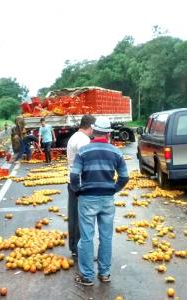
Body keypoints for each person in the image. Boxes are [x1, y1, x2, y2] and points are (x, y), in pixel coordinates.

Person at [70, 116, 129, 286]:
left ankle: (87, 276)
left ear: (93, 132)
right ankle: (104, 274)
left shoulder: (83, 151)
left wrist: (77, 190)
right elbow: (125, 177)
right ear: (109, 134)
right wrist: (114, 189)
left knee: (87, 238)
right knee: (106, 237)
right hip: (107, 199)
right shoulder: (116, 152)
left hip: (87, 198)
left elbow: (74, 175)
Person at [66, 115, 96, 259]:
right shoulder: (83, 141)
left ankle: (74, 247)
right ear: (90, 127)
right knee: (82, 218)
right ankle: (80, 250)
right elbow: (86, 161)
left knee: (74, 216)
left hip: (71, 180)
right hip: (80, 182)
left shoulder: (74, 136)